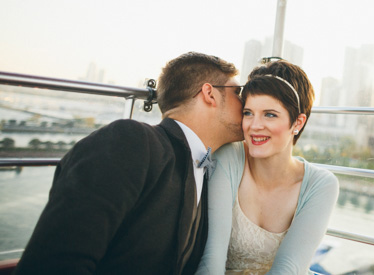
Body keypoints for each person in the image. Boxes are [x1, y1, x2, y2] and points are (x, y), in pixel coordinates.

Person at [15, 52, 244, 275]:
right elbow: (55, 261)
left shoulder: (209, 172)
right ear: (209, 94)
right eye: (238, 92)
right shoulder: (130, 140)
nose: (245, 103)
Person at [196, 60, 339, 275]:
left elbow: (288, 269)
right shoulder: (229, 156)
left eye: (270, 114)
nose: (254, 126)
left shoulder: (321, 184)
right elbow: (211, 260)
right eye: (248, 113)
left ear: (298, 123)